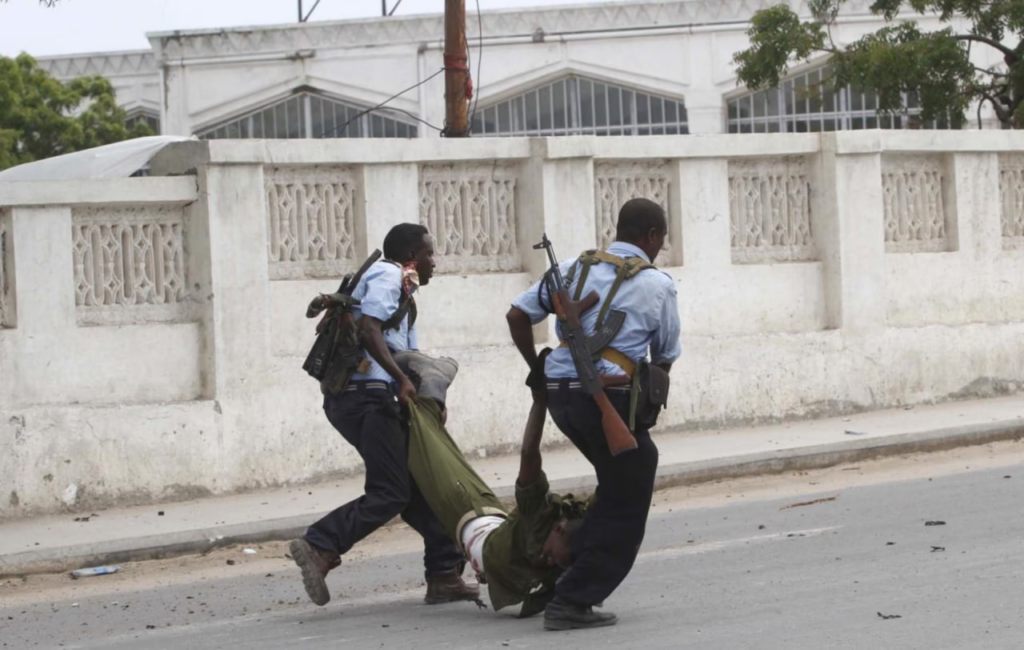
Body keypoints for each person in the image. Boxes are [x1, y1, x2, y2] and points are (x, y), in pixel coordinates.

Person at [505, 198, 682, 630]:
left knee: (617, 485)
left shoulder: (572, 268)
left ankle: (572, 565)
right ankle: (571, 597)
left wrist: (537, 369)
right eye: (660, 239)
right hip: (608, 399)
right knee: (627, 500)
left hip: (562, 397)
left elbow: (517, 315)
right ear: (652, 236)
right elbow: (664, 355)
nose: (660, 247)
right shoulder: (657, 284)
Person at [289, 223, 478, 608]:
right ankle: (320, 544)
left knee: (421, 485)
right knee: (391, 491)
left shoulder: (403, 291)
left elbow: (407, 356)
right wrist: (401, 381)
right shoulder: (389, 275)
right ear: (411, 256)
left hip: (368, 398)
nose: (434, 262)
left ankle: (444, 574)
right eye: (428, 254)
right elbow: (368, 329)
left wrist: (427, 398)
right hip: (367, 398)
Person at [394, 349, 589, 621]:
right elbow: (529, 454)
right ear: (559, 529)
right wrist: (539, 404)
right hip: (464, 507)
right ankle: (432, 384)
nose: (550, 562)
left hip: (485, 519)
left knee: (423, 463)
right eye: (554, 556)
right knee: (429, 448)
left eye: (557, 563)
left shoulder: (563, 552)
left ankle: (442, 578)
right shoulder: (539, 511)